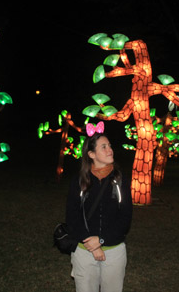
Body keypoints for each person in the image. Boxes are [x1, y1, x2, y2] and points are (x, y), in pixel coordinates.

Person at [66, 121, 133, 292]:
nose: (110, 150)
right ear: (91, 154)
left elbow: (125, 217)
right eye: (103, 147)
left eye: (109, 145)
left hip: (114, 251)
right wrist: (93, 245)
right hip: (84, 251)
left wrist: (102, 240)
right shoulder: (80, 181)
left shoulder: (120, 180)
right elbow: (72, 217)